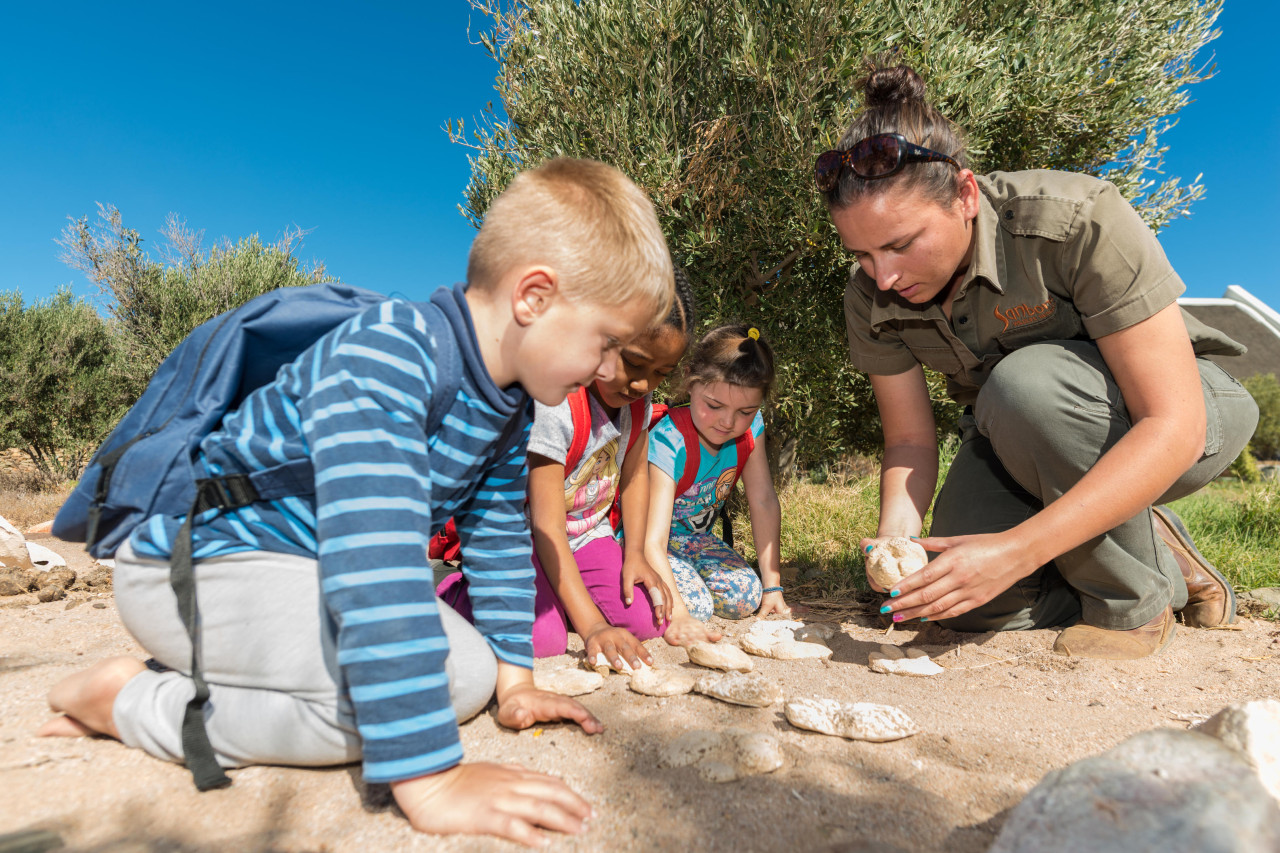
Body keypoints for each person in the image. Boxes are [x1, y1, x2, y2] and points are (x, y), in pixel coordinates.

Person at [38, 157, 676, 847]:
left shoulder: (508, 408)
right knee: (384, 708)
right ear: (535, 297)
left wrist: (515, 681)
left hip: (296, 576)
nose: (610, 371)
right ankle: (134, 701)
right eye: (606, 342)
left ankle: (202, 679)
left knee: (467, 677)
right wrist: (430, 777)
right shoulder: (392, 353)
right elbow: (374, 563)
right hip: (196, 568)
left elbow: (496, 538)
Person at [817, 62, 1259, 659]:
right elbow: (910, 442)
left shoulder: (1078, 219)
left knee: (1024, 385)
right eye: (863, 254)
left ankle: (1132, 604)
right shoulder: (868, 293)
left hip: (1189, 413)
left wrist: (1019, 551)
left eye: (900, 244)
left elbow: (1173, 425)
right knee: (957, 599)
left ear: (966, 195)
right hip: (1014, 440)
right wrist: (896, 543)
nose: (885, 275)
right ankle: (1152, 551)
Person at [439, 269, 696, 670]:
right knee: (545, 640)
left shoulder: (638, 406)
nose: (644, 385)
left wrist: (635, 553)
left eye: (661, 373)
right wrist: (592, 626)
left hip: (587, 534)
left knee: (646, 621)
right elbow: (547, 528)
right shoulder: (556, 404)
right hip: (525, 536)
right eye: (635, 363)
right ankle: (459, 591)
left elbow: (634, 475)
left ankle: (557, 595)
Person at [644, 324, 796, 646]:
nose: (728, 422)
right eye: (714, 406)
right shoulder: (669, 441)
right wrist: (681, 616)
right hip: (647, 542)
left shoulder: (750, 430)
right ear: (690, 381)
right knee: (695, 607)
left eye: (745, 411)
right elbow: (650, 539)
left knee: (747, 597)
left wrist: (773, 587)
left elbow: (764, 500)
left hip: (695, 539)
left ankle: (689, 585)